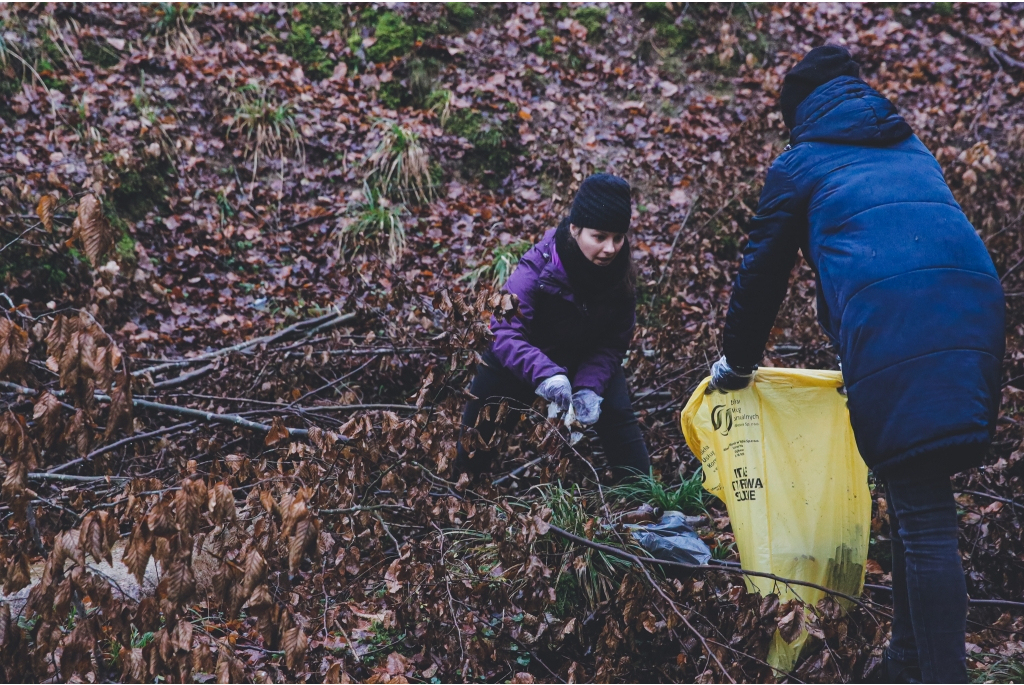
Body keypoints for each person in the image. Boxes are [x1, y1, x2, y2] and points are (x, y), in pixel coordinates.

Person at [709, 46, 1005, 683]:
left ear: (799, 114)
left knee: (925, 516)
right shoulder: (908, 146)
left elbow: (760, 277)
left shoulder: (801, 163)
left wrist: (734, 364)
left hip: (901, 328)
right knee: (914, 491)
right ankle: (905, 659)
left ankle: (942, 674)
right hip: (973, 315)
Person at [455, 173, 650, 480]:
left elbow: (612, 344)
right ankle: (465, 488)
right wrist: (546, 373)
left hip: (583, 359)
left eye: (618, 237)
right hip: (524, 358)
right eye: (599, 237)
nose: (611, 248)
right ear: (575, 230)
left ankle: (644, 499)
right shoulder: (540, 264)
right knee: (481, 424)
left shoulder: (621, 275)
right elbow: (504, 332)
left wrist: (589, 386)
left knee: (617, 413)